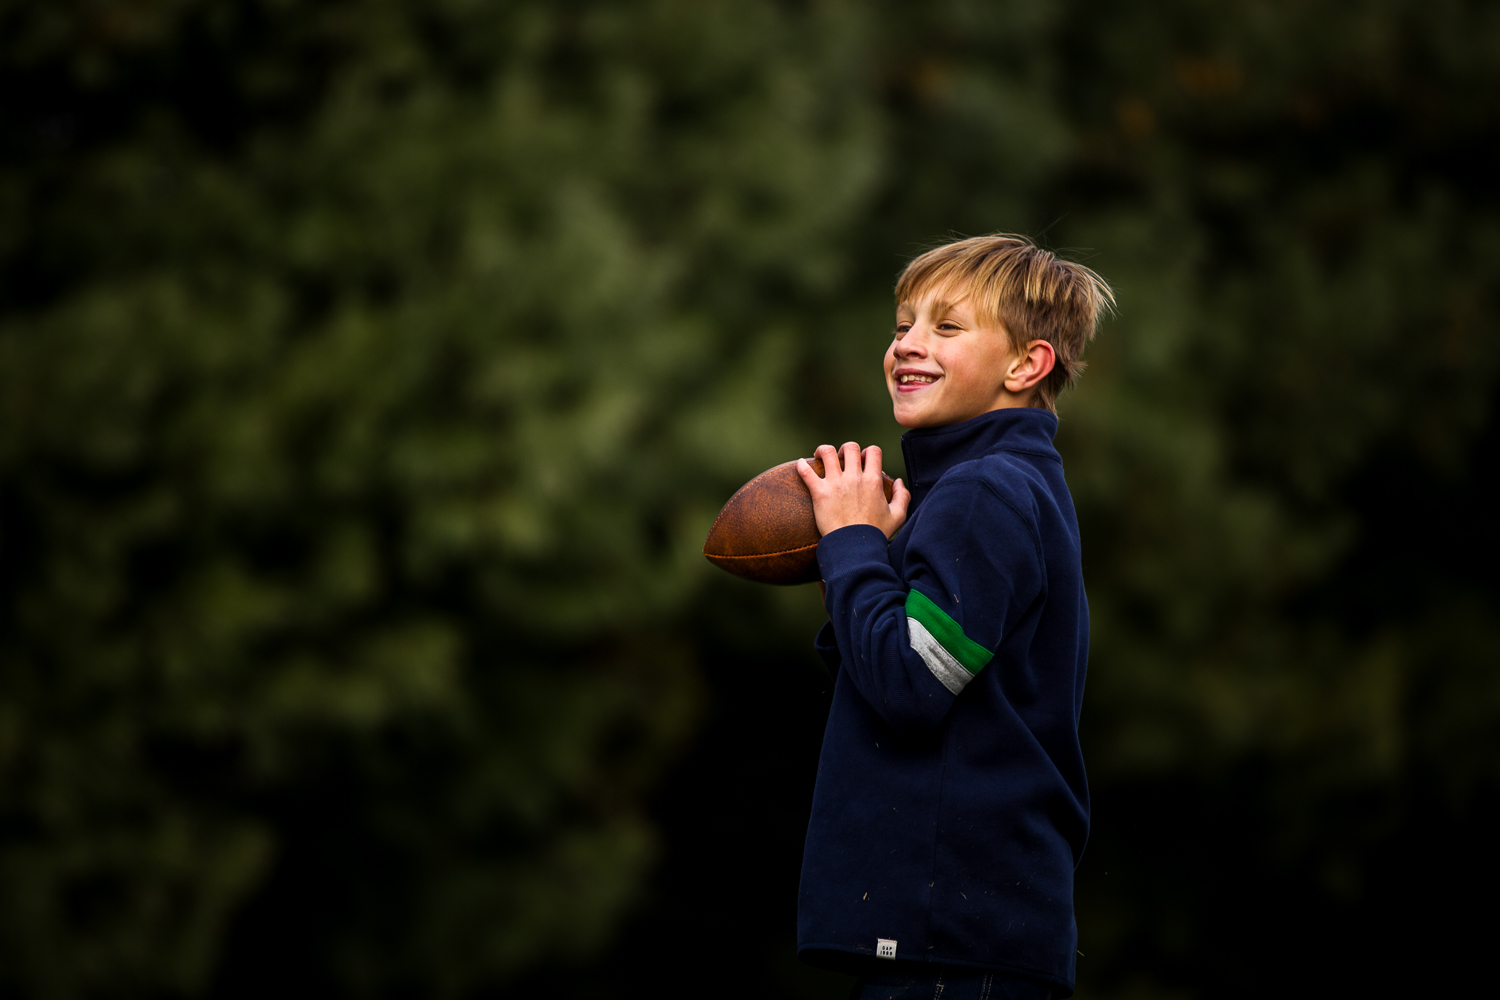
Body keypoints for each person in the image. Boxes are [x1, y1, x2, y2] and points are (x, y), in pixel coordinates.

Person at [794, 234, 1113, 1000]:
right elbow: (893, 676)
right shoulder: (991, 488)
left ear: (1025, 365)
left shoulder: (984, 493)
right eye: (903, 324)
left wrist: (852, 545)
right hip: (964, 936)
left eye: (946, 326)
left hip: (954, 942)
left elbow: (910, 688)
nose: (907, 344)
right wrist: (859, 572)